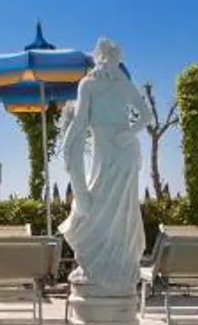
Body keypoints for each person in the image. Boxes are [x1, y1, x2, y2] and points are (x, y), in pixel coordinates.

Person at [57, 37, 149, 299]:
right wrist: (70, 145)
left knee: (121, 209)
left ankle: (117, 266)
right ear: (100, 58)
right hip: (107, 152)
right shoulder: (91, 84)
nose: (110, 62)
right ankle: (97, 265)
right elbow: (81, 122)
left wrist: (129, 133)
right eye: (108, 57)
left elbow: (145, 116)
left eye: (114, 58)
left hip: (124, 153)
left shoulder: (118, 84)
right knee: (96, 206)